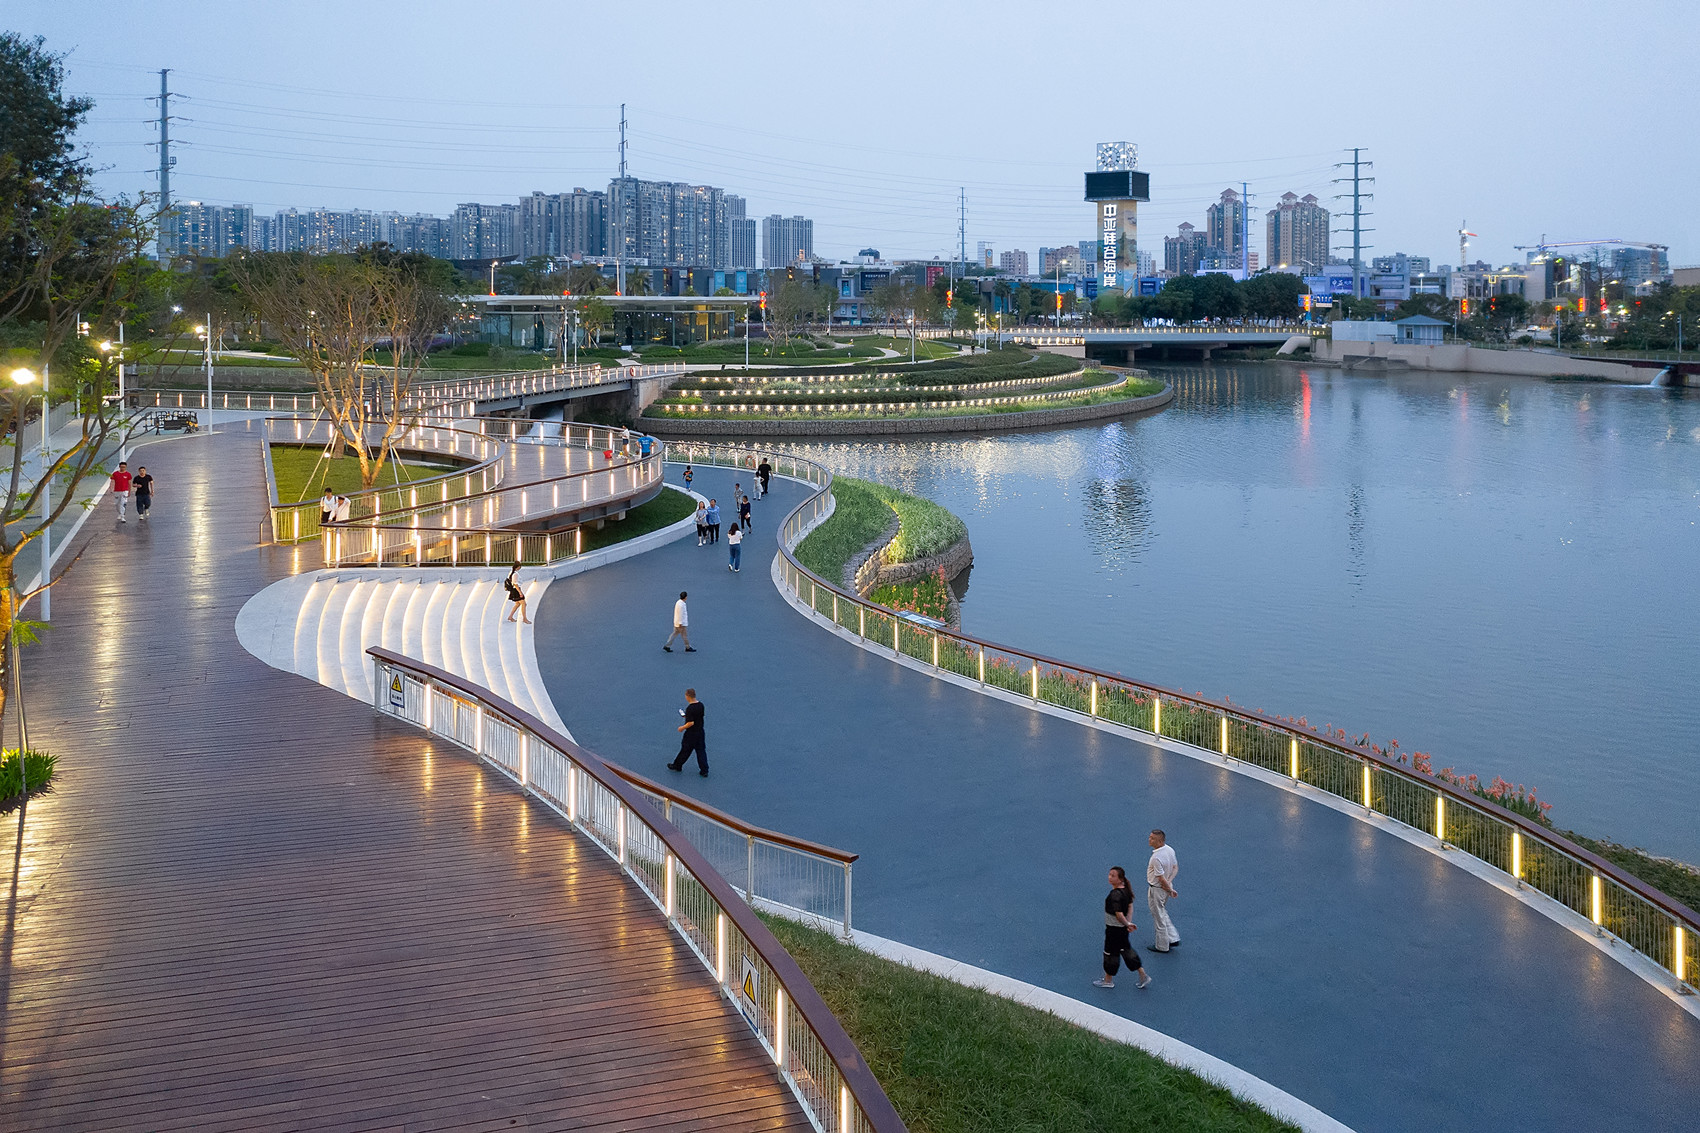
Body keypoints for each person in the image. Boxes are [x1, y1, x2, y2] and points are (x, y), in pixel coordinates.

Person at [1093, 866, 1151, 990]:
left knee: (1110, 952)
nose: (1109, 877)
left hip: (1113, 929)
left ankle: (1108, 980)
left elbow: (1118, 915)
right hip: (1121, 929)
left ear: (1120, 879)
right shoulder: (1126, 891)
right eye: (1109, 874)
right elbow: (1130, 907)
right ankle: (1142, 974)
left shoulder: (1115, 895)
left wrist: (1126, 923)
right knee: (1126, 950)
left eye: (1113, 876)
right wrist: (1128, 923)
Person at [1146, 829, 1181, 953]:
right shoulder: (1170, 850)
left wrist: (1169, 888)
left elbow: (1160, 879)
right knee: (1162, 911)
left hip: (1157, 890)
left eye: (1152, 838)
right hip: (1165, 887)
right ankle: (1173, 937)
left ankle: (1162, 945)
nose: (1149, 840)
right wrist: (1170, 883)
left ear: (1160, 841)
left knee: (1158, 916)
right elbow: (1175, 867)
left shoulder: (1156, 858)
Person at [668, 687, 708, 776]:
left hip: (691, 734)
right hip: (700, 732)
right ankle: (704, 770)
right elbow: (698, 717)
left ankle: (677, 765)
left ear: (688, 696)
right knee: (701, 751)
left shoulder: (690, 708)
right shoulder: (701, 705)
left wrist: (682, 727)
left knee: (685, 750)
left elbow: (691, 723)